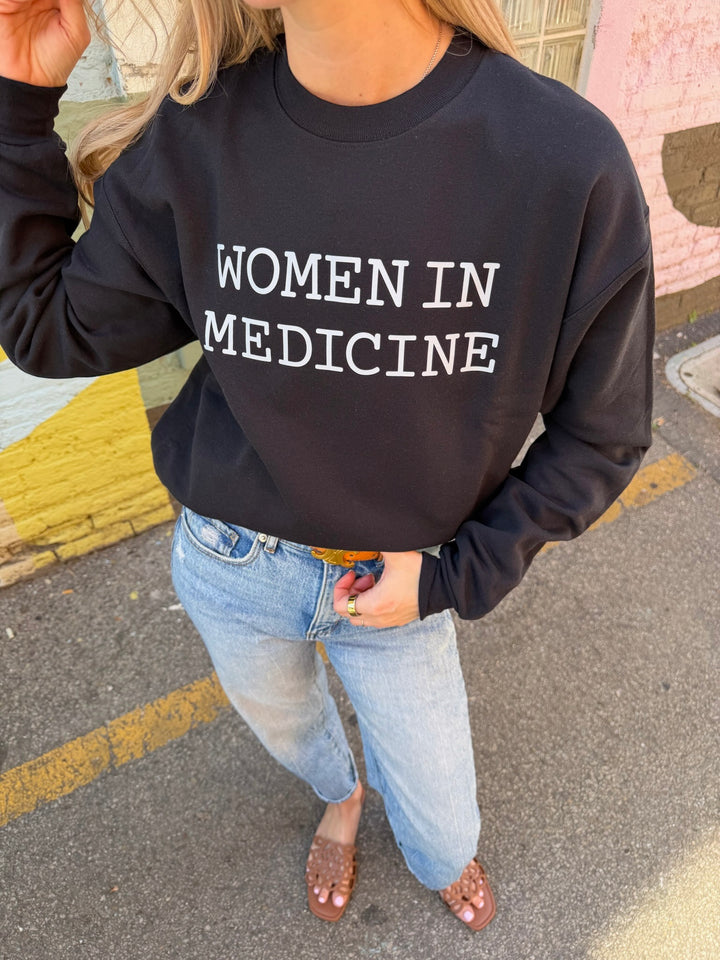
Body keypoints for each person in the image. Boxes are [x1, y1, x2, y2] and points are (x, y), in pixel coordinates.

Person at [0, 0, 653, 932]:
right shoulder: (198, 136)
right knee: (296, 736)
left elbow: (606, 433)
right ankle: (338, 797)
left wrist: (450, 576)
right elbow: (44, 325)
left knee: (444, 820)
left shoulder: (560, 160)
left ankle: (438, 853)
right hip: (229, 564)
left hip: (400, 583)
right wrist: (19, 93)